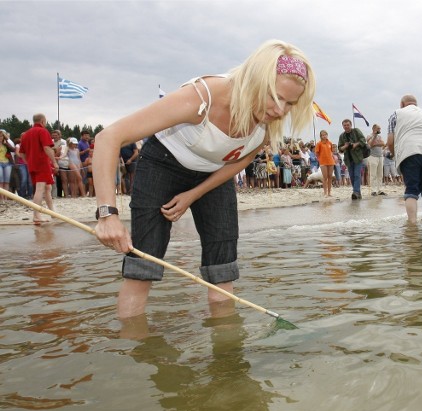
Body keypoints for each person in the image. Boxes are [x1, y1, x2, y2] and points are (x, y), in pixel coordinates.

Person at [92, 40, 315, 319]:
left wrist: (195, 193)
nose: (280, 110)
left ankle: (227, 355)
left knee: (222, 267)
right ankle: (133, 344)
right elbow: (108, 138)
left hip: (214, 174)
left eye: (290, 103)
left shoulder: (270, 124)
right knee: (144, 264)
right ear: (256, 81)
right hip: (163, 163)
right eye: (276, 97)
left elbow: (242, 160)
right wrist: (107, 215)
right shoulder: (202, 96)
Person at [386, 94, 422, 224]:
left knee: (411, 188)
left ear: (402, 104)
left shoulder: (396, 114)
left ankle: (412, 223)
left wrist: (393, 154)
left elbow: (390, 141)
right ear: (416, 104)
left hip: (409, 152)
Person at [18, 114, 58, 223]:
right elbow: (47, 147)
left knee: (48, 188)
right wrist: (54, 162)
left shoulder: (26, 134)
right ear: (42, 121)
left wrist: (28, 162)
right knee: (40, 188)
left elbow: (21, 153)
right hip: (42, 163)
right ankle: (36, 215)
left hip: (33, 164)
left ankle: (52, 212)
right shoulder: (42, 131)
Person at [338, 119, 367, 200]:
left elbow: (363, 140)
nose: (346, 126)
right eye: (344, 125)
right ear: (343, 126)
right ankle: (358, 193)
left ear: (350, 125)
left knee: (357, 175)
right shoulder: (342, 136)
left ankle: (355, 192)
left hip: (358, 157)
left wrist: (356, 144)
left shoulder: (356, 131)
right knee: (352, 176)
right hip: (348, 159)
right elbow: (340, 148)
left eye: (348, 125)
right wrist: (345, 146)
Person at [366, 124, 386, 196]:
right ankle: (373, 190)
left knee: (380, 174)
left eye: (380, 129)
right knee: (373, 174)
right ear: (374, 129)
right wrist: (374, 137)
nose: (379, 130)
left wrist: (376, 143)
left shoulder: (380, 136)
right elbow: (370, 144)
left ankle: (380, 190)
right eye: (378, 128)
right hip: (372, 156)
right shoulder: (369, 136)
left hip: (380, 156)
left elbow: (383, 143)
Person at [314, 130, 335, 197]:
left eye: (325, 135)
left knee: (330, 177)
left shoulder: (330, 143)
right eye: (322, 135)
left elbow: (332, 152)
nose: (324, 136)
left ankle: (329, 192)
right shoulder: (319, 143)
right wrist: (319, 159)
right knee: (325, 177)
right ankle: (325, 192)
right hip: (323, 162)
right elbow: (316, 153)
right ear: (320, 136)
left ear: (327, 135)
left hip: (330, 161)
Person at [0, 129, 15, 201]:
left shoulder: (6, 144)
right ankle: (1, 198)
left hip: (7, 163)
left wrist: (6, 144)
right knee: (1, 181)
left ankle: (5, 198)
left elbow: (13, 150)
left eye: (1, 136)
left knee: (6, 181)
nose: (0, 138)